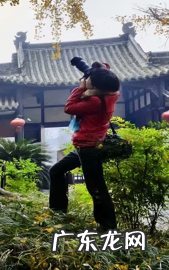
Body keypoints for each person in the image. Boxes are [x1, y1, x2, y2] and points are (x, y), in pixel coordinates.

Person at [49, 59, 121, 230]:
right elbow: (106, 74)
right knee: (56, 171)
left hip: (89, 147)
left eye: (89, 78)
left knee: (96, 186)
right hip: (86, 145)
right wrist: (93, 70)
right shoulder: (110, 93)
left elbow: (69, 108)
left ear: (95, 85)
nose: (86, 78)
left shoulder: (95, 101)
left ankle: (108, 226)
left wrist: (80, 88)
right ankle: (58, 211)